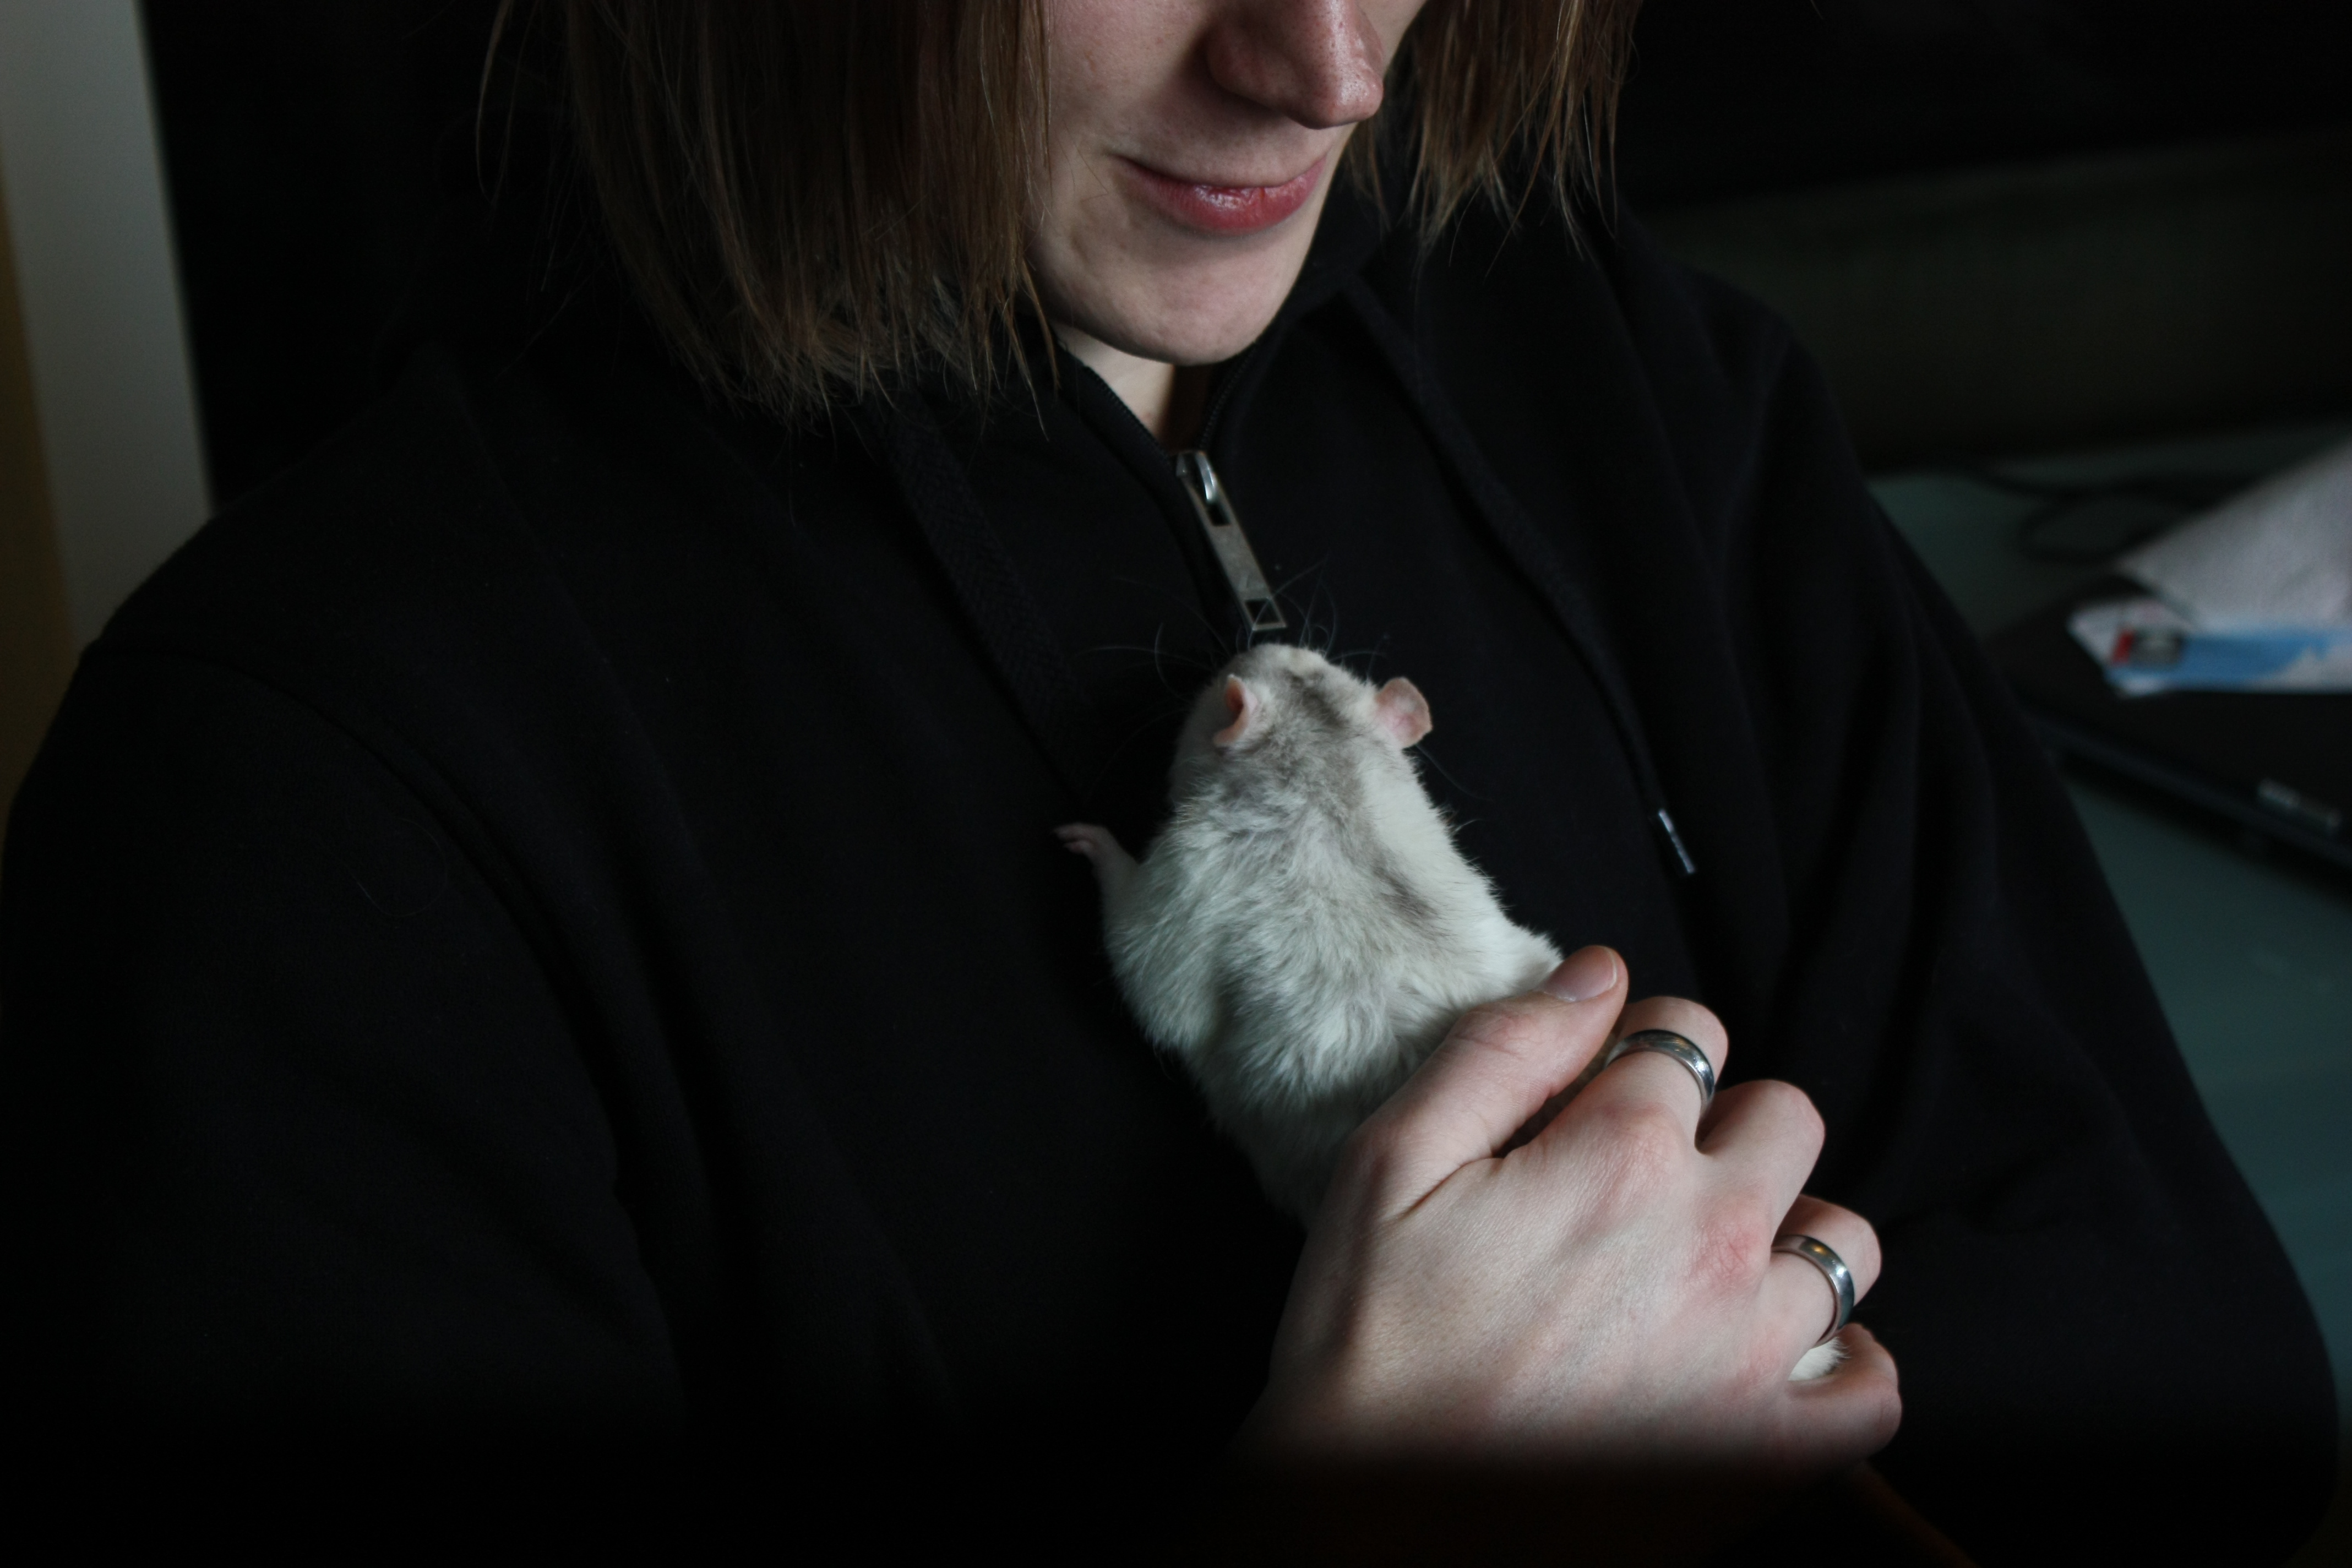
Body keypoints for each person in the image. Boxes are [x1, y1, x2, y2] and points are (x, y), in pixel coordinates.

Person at [0, 1, 2332, 1559]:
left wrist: (1739, 1360)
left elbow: (2200, 1392)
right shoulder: (292, 800)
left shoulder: (1635, 382)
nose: (1329, 67)